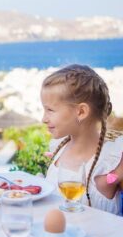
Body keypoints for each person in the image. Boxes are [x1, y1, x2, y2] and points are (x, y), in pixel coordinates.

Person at [42, 64, 123, 215]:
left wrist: (114, 177)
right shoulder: (59, 148)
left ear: (81, 112)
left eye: (50, 110)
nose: (43, 119)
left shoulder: (111, 160)